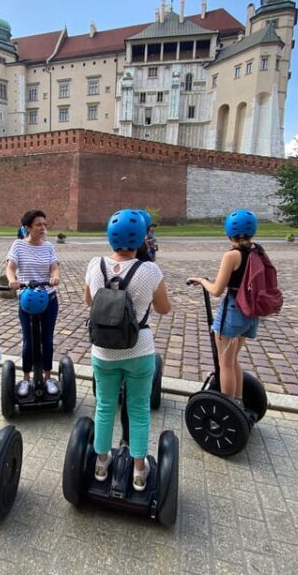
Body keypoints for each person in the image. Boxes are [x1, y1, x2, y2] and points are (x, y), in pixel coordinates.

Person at [84, 209, 170, 491]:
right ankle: (138, 470)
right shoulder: (150, 270)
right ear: (142, 238)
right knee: (139, 410)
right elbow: (163, 309)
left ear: (110, 236)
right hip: (139, 351)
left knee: (105, 407)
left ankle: (101, 463)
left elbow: (89, 302)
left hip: (103, 352)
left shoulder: (94, 265)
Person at [187, 209, 262, 407]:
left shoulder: (232, 255)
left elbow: (217, 290)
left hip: (233, 312)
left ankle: (227, 408)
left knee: (225, 363)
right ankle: (238, 403)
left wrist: (202, 281)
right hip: (251, 312)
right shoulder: (258, 252)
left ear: (229, 231)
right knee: (233, 360)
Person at [5, 210, 61, 397]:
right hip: (27, 300)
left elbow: (54, 267)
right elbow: (10, 267)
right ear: (28, 227)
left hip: (49, 298)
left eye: (45, 224)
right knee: (28, 341)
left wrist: (54, 277)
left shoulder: (49, 247)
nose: (43, 228)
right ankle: (26, 378)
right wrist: (12, 279)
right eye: (39, 225)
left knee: (47, 340)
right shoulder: (18, 245)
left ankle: (47, 377)